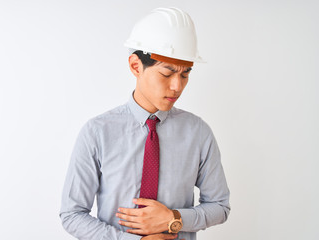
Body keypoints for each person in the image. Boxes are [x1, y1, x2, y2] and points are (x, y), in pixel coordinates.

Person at [60, 7, 230, 240]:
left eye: (185, 74)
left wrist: (174, 219)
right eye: (167, 73)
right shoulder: (97, 132)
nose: (177, 87)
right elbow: (72, 214)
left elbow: (220, 206)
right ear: (135, 66)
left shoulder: (198, 132)